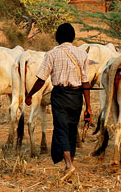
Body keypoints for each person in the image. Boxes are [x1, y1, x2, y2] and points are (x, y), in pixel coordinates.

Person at [25, 22, 91, 179]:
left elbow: (41, 79)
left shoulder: (51, 54)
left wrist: (30, 94)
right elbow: (85, 82)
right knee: (72, 129)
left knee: (61, 128)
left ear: (57, 38)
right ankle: (70, 166)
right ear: (73, 37)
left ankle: (68, 164)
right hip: (77, 97)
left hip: (60, 95)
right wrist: (88, 106)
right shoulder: (82, 54)